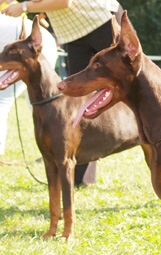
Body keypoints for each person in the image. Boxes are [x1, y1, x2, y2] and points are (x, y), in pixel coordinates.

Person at [2, 0, 122, 185]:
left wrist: (24, 8)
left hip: (101, 21)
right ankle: (81, 177)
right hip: (74, 35)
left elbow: (65, 1)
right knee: (78, 99)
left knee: (134, 88)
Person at [0, 13, 57, 156]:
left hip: (31, 46)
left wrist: (23, 7)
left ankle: (57, 149)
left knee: (42, 105)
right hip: (27, 41)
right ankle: (53, 150)